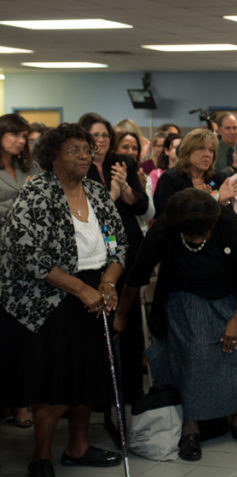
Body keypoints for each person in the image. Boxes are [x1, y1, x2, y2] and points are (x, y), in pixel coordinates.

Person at [0, 123, 127, 477]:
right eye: (75, 150)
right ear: (53, 154)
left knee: (87, 375)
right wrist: (80, 290)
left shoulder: (96, 192)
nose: (85, 156)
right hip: (49, 298)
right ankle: (41, 455)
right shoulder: (38, 192)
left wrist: (106, 283)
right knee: (53, 380)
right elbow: (27, 254)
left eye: (87, 150)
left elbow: (117, 240)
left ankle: (79, 446)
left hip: (93, 290)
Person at [119, 189, 237, 461]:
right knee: (197, 349)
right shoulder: (163, 229)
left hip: (230, 296)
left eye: (202, 235)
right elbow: (137, 274)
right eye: (190, 237)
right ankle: (191, 425)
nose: (196, 240)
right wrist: (122, 315)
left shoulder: (227, 222)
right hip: (184, 295)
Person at [79, 113, 149, 402]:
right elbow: (89, 210)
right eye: (95, 135)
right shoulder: (79, 168)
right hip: (96, 252)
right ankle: (100, 394)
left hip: (127, 244)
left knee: (128, 317)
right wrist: (112, 192)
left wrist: (126, 189)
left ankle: (132, 389)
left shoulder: (122, 163)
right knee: (98, 321)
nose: (101, 140)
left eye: (105, 135)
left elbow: (142, 205)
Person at [0, 113, 40, 429]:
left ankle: (24, 402)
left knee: (25, 335)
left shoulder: (30, 168)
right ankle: (12, 404)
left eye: (24, 136)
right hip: (2, 257)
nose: (20, 141)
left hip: (28, 260)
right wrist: (23, 201)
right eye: (14, 134)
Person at [154, 128, 237, 217]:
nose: (207, 154)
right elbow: (166, 215)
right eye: (201, 149)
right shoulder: (170, 179)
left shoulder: (218, 179)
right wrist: (201, 202)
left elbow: (229, 219)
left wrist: (223, 202)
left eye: (211, 150)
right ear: (187, 151)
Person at [148, 130, 181, 195]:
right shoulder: (155, 174)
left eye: (181, 148)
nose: (179, 150)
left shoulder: (187, 174)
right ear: (167, 151)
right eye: (176, 147)